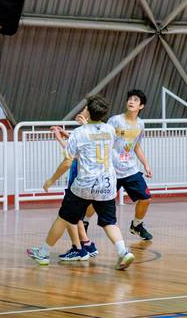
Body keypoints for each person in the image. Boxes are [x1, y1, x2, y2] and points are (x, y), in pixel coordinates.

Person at [27, 95, 135, 270]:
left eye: (85, 108)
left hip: (85, 185)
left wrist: (51, 180)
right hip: (106, 184)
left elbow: (68, 161)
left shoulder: (79, 133)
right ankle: (124, 252)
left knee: (63, 218)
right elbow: (94, 138)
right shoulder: (110, 130)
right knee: (109, 222)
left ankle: (43, 253)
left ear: (88, 112)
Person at [50, 112, 99, 261]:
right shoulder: (100, 132)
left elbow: (72, 153)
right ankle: (87, 244)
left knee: (69, 215)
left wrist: (59, 138)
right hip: (92, 180)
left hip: (80, 179)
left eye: (86, 110)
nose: (82, 113)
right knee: (77, 217)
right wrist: (65, 134)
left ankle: (78, 249)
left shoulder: (88, 132)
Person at [108, 89, 153, 240]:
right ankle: (85, 223)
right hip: (112, 169)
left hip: (130, 169)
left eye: (135, 100)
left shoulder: (140, 124)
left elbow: (136, 146)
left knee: (146, 198)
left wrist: (146, 164)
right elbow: (105, 141)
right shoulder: (115, 120)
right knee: (97, 200)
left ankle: (136, 225)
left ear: (141, 106)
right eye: (130, 99)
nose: (131, 101)